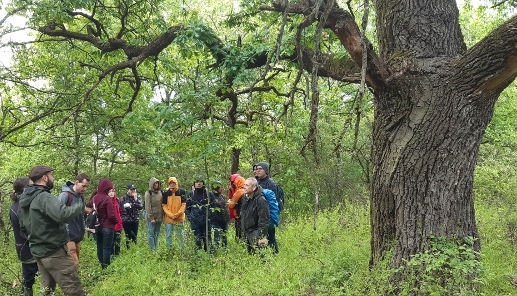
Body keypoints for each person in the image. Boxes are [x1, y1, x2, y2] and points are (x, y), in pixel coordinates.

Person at [18, 165, 85, 295]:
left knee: (47, 290)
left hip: (38, 252)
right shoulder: (43, 197)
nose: (53, 178)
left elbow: (23, 227)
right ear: (44, 178)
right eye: (51, 176)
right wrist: (80, 206)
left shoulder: (25, 198)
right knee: (74, 289)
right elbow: (63, 214)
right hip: (54, 252)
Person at [9, 177, 38, 296]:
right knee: (29, 281)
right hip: (28, 250)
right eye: (31, 186)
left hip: (26, 249)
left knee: (29, 279)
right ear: (25, 189)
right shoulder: (20, 207)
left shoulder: (19, 205)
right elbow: (25, 231)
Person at [58, 173, 91, 267]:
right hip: (67, 233)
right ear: (77, 182)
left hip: (77, 231)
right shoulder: (65, 196)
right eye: (83, 186)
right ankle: (72, 280)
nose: (85, 189)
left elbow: (82, 211)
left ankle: (74, 277)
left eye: (86, 187)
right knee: (73, 259)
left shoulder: (81, 197)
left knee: (76, 257)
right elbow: (57, 213)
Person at [253, 161, 284, 253]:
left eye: (259, 169)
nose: (257, 171)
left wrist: (272, 217)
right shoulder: (256, 182)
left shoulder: (271, 184)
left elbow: (275, 203)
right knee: (261, 236)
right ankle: (263, 254)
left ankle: (274, 254)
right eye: (256, 169)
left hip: (268, 215)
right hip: (259, 214)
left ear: (266, 170)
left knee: (270, 236)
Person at [87, 178, 118, 269]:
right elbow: (111, 216)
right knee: (107, 248)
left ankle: (102, 266)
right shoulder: (107, 199)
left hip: (97, 227)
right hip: (108, 227)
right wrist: (116, 221)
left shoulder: (94, 198)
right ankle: (106, 268)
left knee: (99, 246)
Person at [241, 177, 270, 254]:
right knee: (252, 257)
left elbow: (264, 220)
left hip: (256, 233)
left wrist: (261, 237)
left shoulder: (261, 200)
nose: (244, 187)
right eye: (244, 185)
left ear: (254, 188)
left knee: (261, 258)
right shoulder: (247, 198)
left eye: (247, 185)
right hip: (248, 232)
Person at [186, 176, 211, 252]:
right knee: (197, 240)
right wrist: (190, 217)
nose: (199, 183)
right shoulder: (191, 194)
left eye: (200, 182)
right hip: (195, 221)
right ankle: (198, 256)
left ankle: (209, 254)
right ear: (194, 184)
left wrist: (210, 217)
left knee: (207, 239)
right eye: (197, 182)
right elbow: (187, 207)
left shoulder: (208, 193)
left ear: (203, 183)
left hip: (206, 221)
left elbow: (213, 206)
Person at [162, 177, 186, 251]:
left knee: (180, 235)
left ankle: (181, 250)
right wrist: (171, 215)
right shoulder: (165, 193)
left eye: (173, 183)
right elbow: (164, 205)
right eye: (170, 183)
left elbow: (183, 204)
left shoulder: (182, 192)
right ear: (169, 184)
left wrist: (178, 214)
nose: (172, 185)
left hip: (179, 218)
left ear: (176, 183)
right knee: (169, 235)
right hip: (169, 218)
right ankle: (169, 249)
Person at [119, 184, 143, 248]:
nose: (133, 191)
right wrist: (133, 205)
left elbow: (140, 207)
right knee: (128, 237)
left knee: (134, 237)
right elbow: (124, 208)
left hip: (135, 219)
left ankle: (134, 250)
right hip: (126, 220)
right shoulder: (123, 198)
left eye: (134, 189)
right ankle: (128, 250)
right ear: (128, 190)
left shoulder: (138, 197)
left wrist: (135, 200)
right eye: (131, 189)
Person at [210, 180, 230, 250]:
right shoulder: (211, 196)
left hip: (224, 219)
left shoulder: (221, 196)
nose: (222, 189)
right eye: (220, 187)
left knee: (225, 236)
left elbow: (224, 207)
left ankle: (225, 249)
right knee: (217, 237)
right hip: (216, 220)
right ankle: (216, 250)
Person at [145, 177, 164, 251]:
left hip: (159, 217)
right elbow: (147, 206)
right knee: (151, 234)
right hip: (151, 218)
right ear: (151, 184)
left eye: (157, 183)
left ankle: (156, 249)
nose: (156, 185)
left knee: (156, 234)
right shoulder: (148, 193)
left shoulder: (160, 192)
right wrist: (151, 218)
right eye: (155, 183)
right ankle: (152, 250)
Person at [228, 174, 245, 240]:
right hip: (247, 215)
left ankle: (239, 244)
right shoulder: (248, 190)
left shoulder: (239, 192)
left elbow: (231, 205)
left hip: (239, 215)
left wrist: (229, 201)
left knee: (239, 233)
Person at [110, 187, 123, 258]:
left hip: (118, 225)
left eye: (113, 191)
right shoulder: (106, 201)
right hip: (111, 226)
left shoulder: (117, 201)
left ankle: (117, 256)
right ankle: (111, 257)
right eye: (110, 191)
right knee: (111, 242)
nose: (112, 193)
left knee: (117, 242)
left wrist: (120, 220)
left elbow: (120, 211)